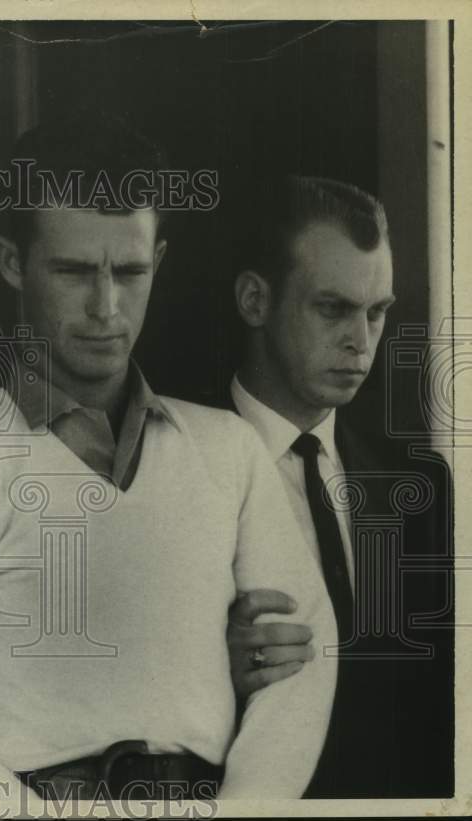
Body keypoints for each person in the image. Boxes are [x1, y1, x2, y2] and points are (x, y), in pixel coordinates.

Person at [0, 117, 338, 803]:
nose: (106, 307)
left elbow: (304, 666)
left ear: (158, 261)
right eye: (74, 271)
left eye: (130, 271)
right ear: (12, 262)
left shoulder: (230, 449)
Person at [222, 174, 454, 797]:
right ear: (254, 300)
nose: (360, 341)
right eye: (332, 308)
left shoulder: (420, 490)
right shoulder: (170, 461)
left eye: (377, 312)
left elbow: (439, 727)